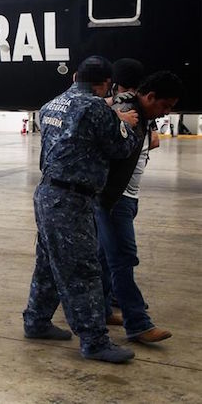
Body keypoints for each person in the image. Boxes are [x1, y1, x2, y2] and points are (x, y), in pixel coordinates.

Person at [22, 56, 141, 363]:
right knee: (83, 270)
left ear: (75, 76)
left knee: (48, 263)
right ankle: (94, 341)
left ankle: (36, 321)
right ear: (105, 85)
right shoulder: (96, 108)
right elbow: (120, 148)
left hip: (48, 194)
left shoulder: (51, 105)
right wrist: (124, 124)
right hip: (72, 200)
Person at [96, 67, 184, 343]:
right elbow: (90, 108)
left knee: (105, 258)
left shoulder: (146, 114)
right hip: (114, 199)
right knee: (123, 258)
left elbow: (152, 142)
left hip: (128, 197)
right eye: (165, 106)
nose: (166, 112)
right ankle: (138, 323)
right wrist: (116, 115)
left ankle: (101, 309)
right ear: (150, 95)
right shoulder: (125, 105)